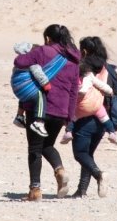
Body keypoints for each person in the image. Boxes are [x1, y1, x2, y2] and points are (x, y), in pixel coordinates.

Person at [12, 24, 81, 201]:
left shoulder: (42, 51)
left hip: (38, 108)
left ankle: (35, 190)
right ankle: (60, 170)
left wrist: (29, 52)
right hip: (61, 110)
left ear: (48, 38)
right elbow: (74, 91)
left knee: (35, 149)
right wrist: (69, 116)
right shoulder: (73, 61)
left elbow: (19, 62)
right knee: (48, 145)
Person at [68, 35, 115, 198]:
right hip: (103, 118)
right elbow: (114, 92)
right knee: (88, 154)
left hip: (83, 117)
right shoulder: (110, 69)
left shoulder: (81, 68)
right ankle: (81, 190)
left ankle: (99, 175)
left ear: (85, 51)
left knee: (80, 154)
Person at [10, 41, 54, 136]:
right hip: (26, 89)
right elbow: (39, 73)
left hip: (18, 89)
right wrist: (45, 84)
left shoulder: (18, 61)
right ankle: (39, 121)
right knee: (40, 96)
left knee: (25, 96)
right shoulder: (32, 61)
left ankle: (19, 116)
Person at [74, 57, 117, 145]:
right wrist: (110, 91)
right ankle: (112, 133)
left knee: (72, 118)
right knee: (105, 118)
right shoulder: (90, 75)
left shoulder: (73, 78)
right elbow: (101, 85)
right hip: (96, 105)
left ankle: (68, 132)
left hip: (81, 108)